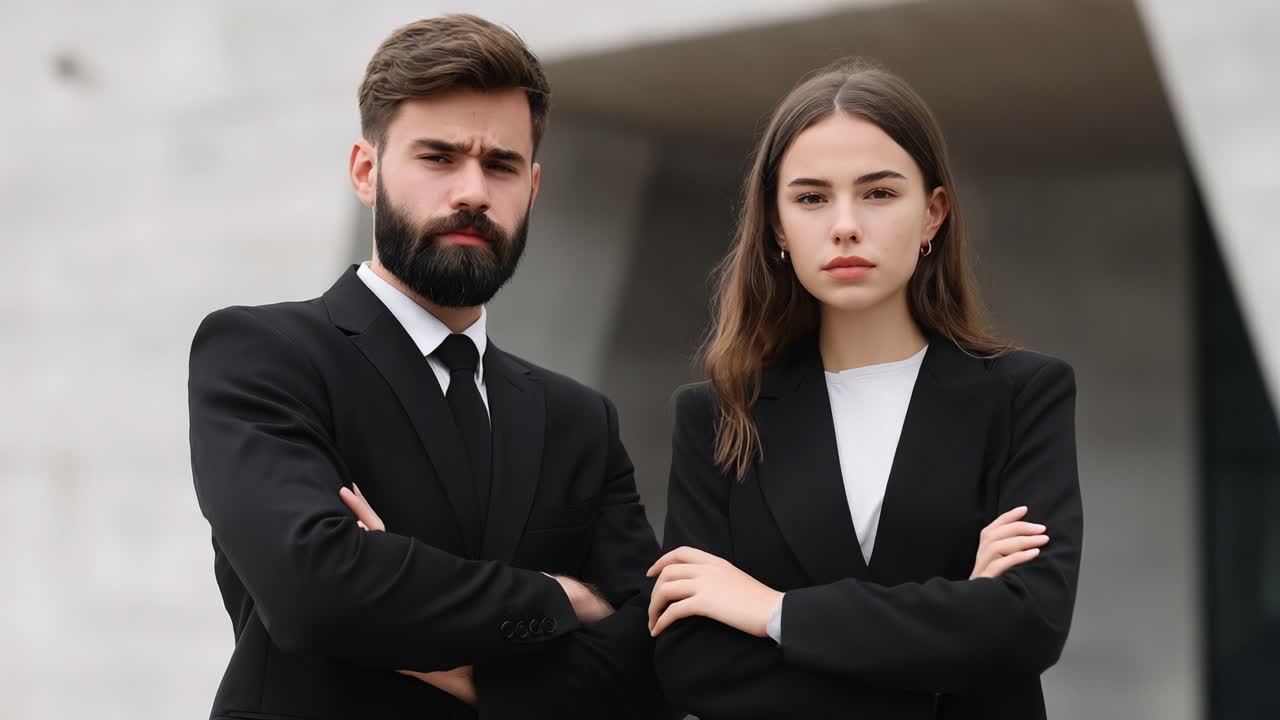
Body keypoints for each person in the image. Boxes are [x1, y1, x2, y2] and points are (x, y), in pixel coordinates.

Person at [188, 15, 668, 720]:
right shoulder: (265, 355)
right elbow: (314, 592)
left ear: (532, 187)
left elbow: (651, 668)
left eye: (500, 164)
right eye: (438, 158)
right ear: (365, 170)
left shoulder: (578, 421)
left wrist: (459, 659)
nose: (472, 191)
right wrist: (563, 596)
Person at [647, 59, 1083, 719]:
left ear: (933, 213)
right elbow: (693, 667)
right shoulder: (718, 413)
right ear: (775, 225)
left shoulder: (1025, 395)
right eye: (812, 197)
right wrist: (951, 636)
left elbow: (1027, 626)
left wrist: (773, 611)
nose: (845, 224)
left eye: (878, 193)